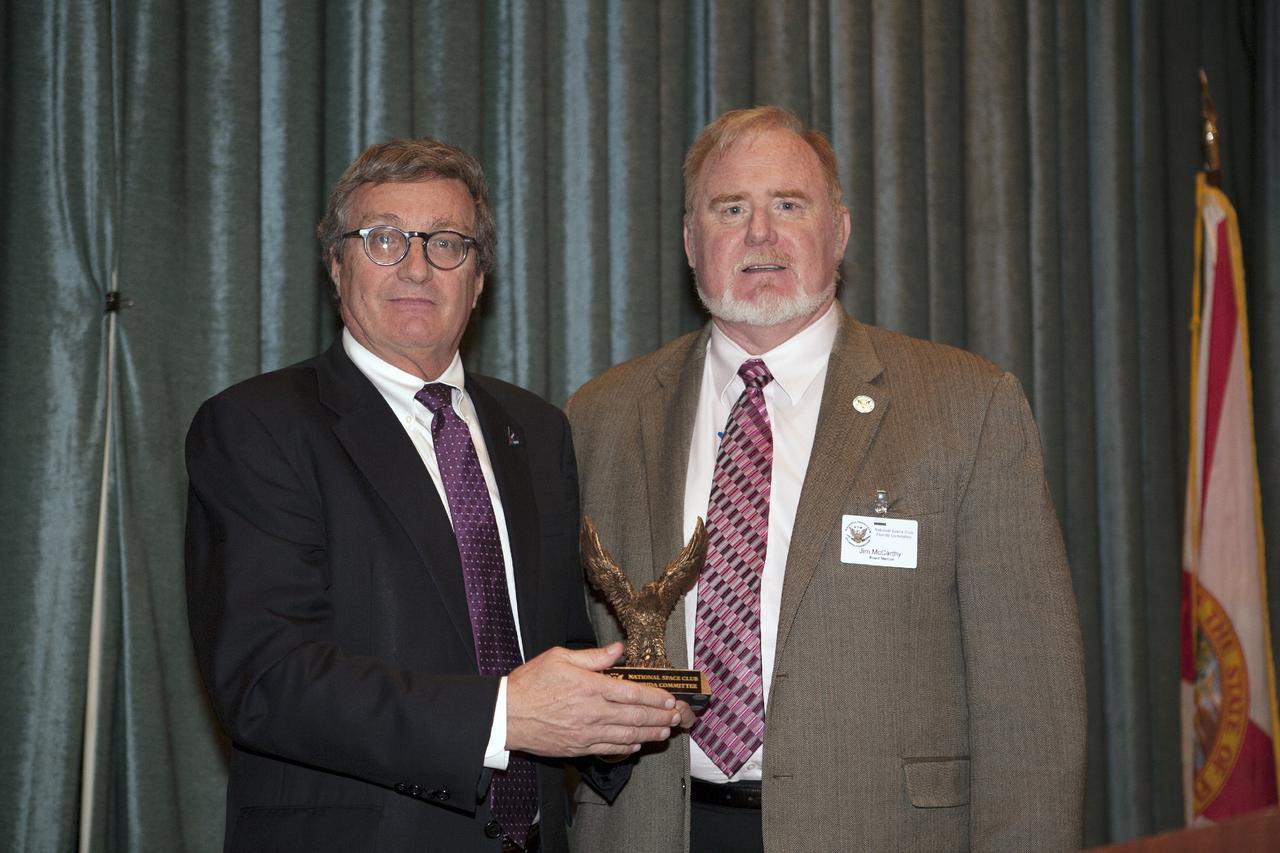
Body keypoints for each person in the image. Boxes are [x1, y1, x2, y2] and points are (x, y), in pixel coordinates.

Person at [565, 106, 1086, 852]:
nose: (760, 234)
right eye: (731, 208)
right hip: (649, 828)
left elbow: (1030, 701)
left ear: (839, 231)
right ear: (689, 241)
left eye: (788, 205)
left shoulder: (968, 406)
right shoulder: (600, 415)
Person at [185, 136, 691, 853]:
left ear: (479, 278)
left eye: (447, 242)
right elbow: (269, 679)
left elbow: (549, 648)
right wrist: (503, 715)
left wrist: (617, 718)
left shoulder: (538, 431)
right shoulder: (257, 427)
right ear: (336, 264)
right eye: (384, 238)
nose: (418, 266)